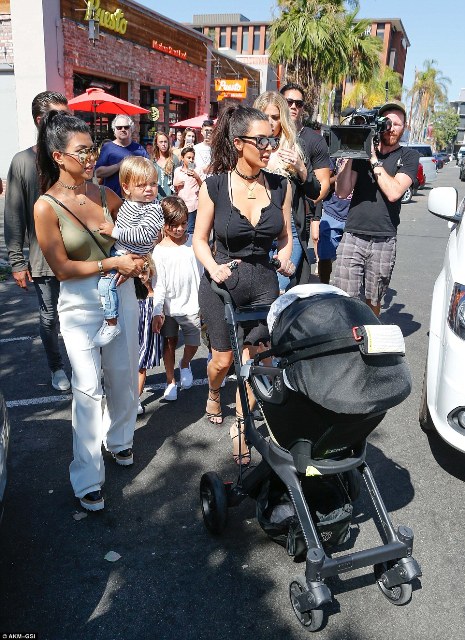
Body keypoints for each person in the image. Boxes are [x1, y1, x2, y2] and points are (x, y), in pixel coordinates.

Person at [33, 111, 146, 511]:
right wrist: (111, 263)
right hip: (80, 304)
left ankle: (120, 440)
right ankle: (86, 477)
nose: (90, 157)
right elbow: (62, 269)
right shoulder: (46, 206)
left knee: (122, 375)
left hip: (122, 294)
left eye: (92, 149)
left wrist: (139, 260)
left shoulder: (104, 194)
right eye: (82, 151)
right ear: (58, 156)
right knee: (86, 390)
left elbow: (137, 234)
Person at [193, 105, 294, 466]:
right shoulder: (214, 186)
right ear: (238, 143)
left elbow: (285, 236)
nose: (269, 147)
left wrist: (285, 257)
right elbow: (199, 240)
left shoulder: (281, 186)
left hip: (264, 283)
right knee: (222, 361)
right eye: (261, 140)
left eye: (273, 140)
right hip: (223, 283)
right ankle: (213, 390)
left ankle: (241, 426)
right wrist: (212, 267)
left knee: (255, 361)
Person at [4, 90, 71, 392]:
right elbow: (14, 213)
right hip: (42, 257)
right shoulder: (22, 161)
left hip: (79, 256)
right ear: (39, 119)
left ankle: (84, 365)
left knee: (82, 313)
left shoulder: (71, 156)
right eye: (59, 115)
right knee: (50, 317)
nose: (65, 121)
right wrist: (17, 261)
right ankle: (56, 367)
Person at [334, 100, 419, 316]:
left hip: (384, 238)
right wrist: (351, 153)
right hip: (353, 235)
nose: (391, 128)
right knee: (345, 298)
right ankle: (348, 334)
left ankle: (371, 331)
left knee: (373, 300)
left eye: (397, 124)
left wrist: (372, 158)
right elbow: (342, 192)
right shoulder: (362, 153)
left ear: (404, 128)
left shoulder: (409, 156)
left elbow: (394, 192)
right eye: (387, 122)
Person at [93, 156, 164, 347]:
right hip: (120, 252)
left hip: (129, 255)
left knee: (106, 285)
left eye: (153, 184)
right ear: (126, 188)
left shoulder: (153, 209)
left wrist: (114, 231)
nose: (149, 189)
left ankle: (111, 322)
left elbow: (144, 235)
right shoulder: (128, 203)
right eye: (142, 185)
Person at [254, 91, 321, 292]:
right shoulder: (250, 148)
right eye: (265, 116)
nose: (270, 122)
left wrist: (300, 167)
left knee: (280, 290)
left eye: (275, 117)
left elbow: (315, 191)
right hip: (258, 228)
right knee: (261, 291)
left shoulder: (294, 147)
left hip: (289, 228)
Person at [152, 197, 203, 401]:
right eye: (174, 225)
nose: (179, 229)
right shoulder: (159, 251)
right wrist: (158, 311)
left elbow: (202, 271)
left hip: (193, 305)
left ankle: (185, 364)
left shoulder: (194, 242)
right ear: (164, 224)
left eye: (183, 223)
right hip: (169, 307)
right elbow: (159, 284)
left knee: (194, 342)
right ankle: (170, 381)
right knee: (169, 343)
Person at [280, 83, 331, 281]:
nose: (294, 106)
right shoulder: (267, 135)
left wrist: (305, 208)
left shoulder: (314, 141)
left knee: (289, 281)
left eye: (299, 103)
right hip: (263, 220)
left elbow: (323, 186)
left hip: (296, 220)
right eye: (289, 102)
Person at [94, 115, 148, 198]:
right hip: (112, 197)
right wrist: (119, 165)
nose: (123, 130)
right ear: (114, 130)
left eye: (126, 127)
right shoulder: (108, 148)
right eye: (119, 128)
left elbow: (148, 171)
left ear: (131, 129)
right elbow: (98, 172)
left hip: (134, 199)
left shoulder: (139, 149)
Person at [318, 158, 352, 284]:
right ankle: (324, 286)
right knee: (325, 256)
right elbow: (324, 181)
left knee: (353, 260)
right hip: (332, 211)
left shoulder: (369, 154)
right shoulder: (334, 153)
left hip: (356, 215)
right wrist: (341, 176)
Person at [173, 147, 204, 234]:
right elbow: (175, 189)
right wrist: (176, 185)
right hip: (181, 204)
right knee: (180, 228)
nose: (191, 160)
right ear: (182, 158)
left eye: (192, 158)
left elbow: (203, 187)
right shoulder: (177, 171)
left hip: (193, 205)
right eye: (188, 157)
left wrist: (197, 177)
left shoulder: (198, 169)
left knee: (190, 229)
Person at [152, 131, 180, 199]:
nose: (163, 144)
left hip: (170, 197)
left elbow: (178, 178)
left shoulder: (174, 159)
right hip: (155, 198)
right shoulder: (152, 160)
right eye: (161, 142)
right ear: (157, 144)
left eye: (165, 142)